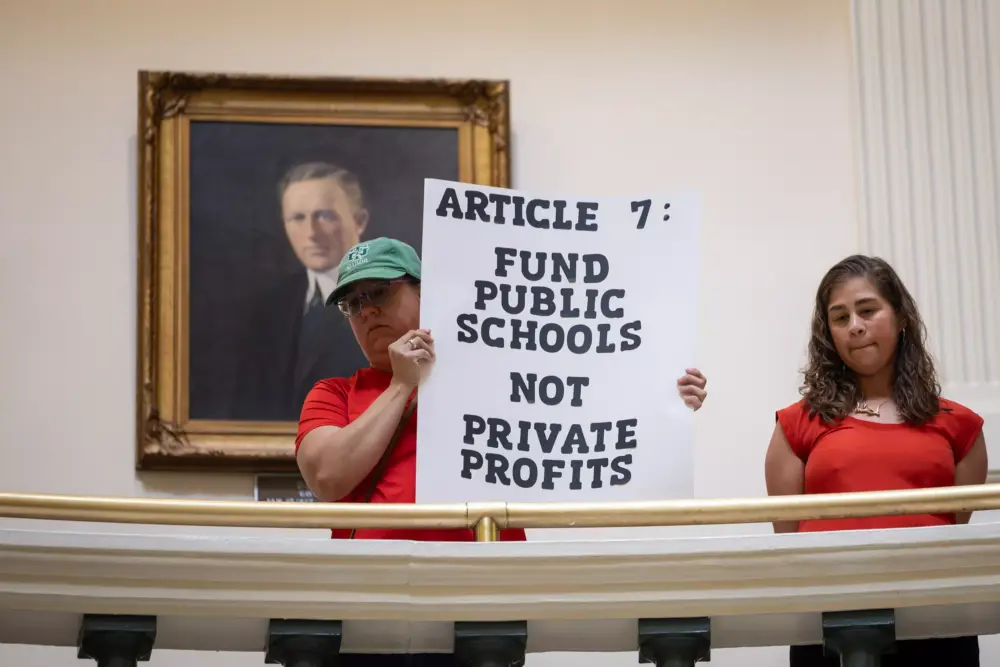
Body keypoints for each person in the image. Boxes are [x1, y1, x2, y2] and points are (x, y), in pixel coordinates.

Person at [296, 237, 710, 542]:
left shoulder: (500, 374)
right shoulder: (333, 393)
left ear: (426, 291)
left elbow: (587, 420)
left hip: (484, 596)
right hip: (370, 601)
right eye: (351, 303)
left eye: (380, 292)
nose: (366, 310)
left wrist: (663, 399)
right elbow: (327, 478)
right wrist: (402, 385)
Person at [764, 254, 988, 667]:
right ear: (828, 333)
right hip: (828, 625)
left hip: (937, 621)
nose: (855, 326)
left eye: (868, 310)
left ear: (900, 317)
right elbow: (789, 539)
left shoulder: (961, 427)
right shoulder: (796, 424)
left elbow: (954, 529)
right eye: (840, 317)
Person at [235, 162, 371, 421]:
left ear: (360, 221)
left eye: (326, 216)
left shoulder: (393, 300)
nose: (311, 233)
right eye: (298, 218)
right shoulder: (268, 308)